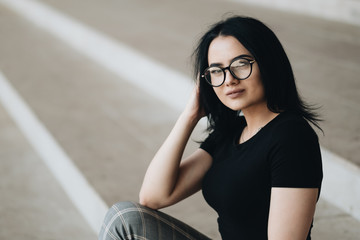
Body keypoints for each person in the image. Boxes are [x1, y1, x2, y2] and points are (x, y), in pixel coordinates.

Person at [99, 15, 323, 240]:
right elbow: (154, 196)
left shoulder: (292, 138)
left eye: (241, 64)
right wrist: (190, 116)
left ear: (268, 63)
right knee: (124, 218)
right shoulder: (230, 134)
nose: (229, 80)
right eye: (216, 70)